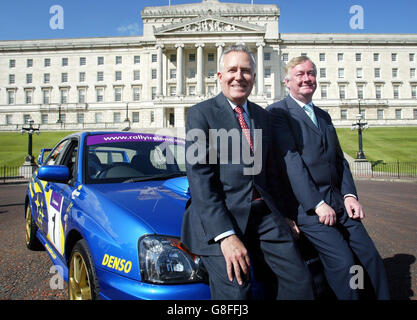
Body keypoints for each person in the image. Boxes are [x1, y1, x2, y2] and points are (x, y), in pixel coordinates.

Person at [181, 45, 314, 300]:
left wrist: (284, 215)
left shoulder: (262, 117)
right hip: (221, 217)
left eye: (246, 71)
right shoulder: (201, 114)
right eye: (232, 70)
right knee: (237, 293)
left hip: (263, 215)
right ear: (220, 76)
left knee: (301, 281)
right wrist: (226, 236)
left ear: (254, 76)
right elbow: (200, 180)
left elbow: (271, 175)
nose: (239, 76)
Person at [266, 56, 390, 300]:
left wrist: (350, 195)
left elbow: (339, 160)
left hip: (339, 202)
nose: (306, 78)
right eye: (300, 74)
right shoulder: (278, 113)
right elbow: (292, 163)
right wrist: (317, 203)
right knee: (343, 263)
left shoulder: (323, 115)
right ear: (287, 80)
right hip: (308, 208)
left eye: (311, 73)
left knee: (371, 258)